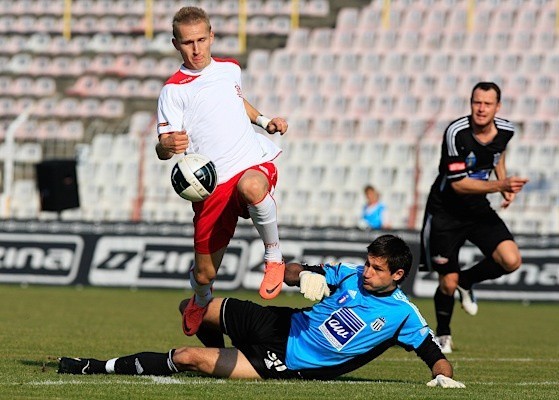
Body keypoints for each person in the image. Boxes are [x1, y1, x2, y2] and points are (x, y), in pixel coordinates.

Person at [58, 235, 465, 388]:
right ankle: (217, 364)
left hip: (284, 360)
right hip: (279, 321)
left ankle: (92, 367)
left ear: (397, 274)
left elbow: (435, 356)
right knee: (194, 307)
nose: (368, 273)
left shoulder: (404, 316)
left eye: (377, 269)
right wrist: (303, 274)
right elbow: (285, 272)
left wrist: (442, 379)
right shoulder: (351, 274)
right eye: (367, 264)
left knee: (185, 357)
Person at [154, 7, 289, 337]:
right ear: (176, 44)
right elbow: (161, 147)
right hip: (210, 185)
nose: (196, 49)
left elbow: (237, 101)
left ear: (212, 36)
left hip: (249, 163)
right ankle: (201, 298)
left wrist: (263, 121)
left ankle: (274, 257)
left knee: (254, 188)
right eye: (188, 42)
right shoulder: (173, 90)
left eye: (201, 39)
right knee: (203, 274)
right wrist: (167, 145)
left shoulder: (230, 69)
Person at [419, 82, 529, 353]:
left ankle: (468, 281)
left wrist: (504, 183)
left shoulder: (506, 130)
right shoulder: (456, 133)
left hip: (477, 209)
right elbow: (459, 184)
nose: (481, 108)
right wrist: (500, 186)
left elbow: (498, 155)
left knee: (511, 260)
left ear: (497, 107)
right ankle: (443, 333)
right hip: (445, 212)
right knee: (448, 282)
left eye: (487, 104)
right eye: (476, 102)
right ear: (471, 103)